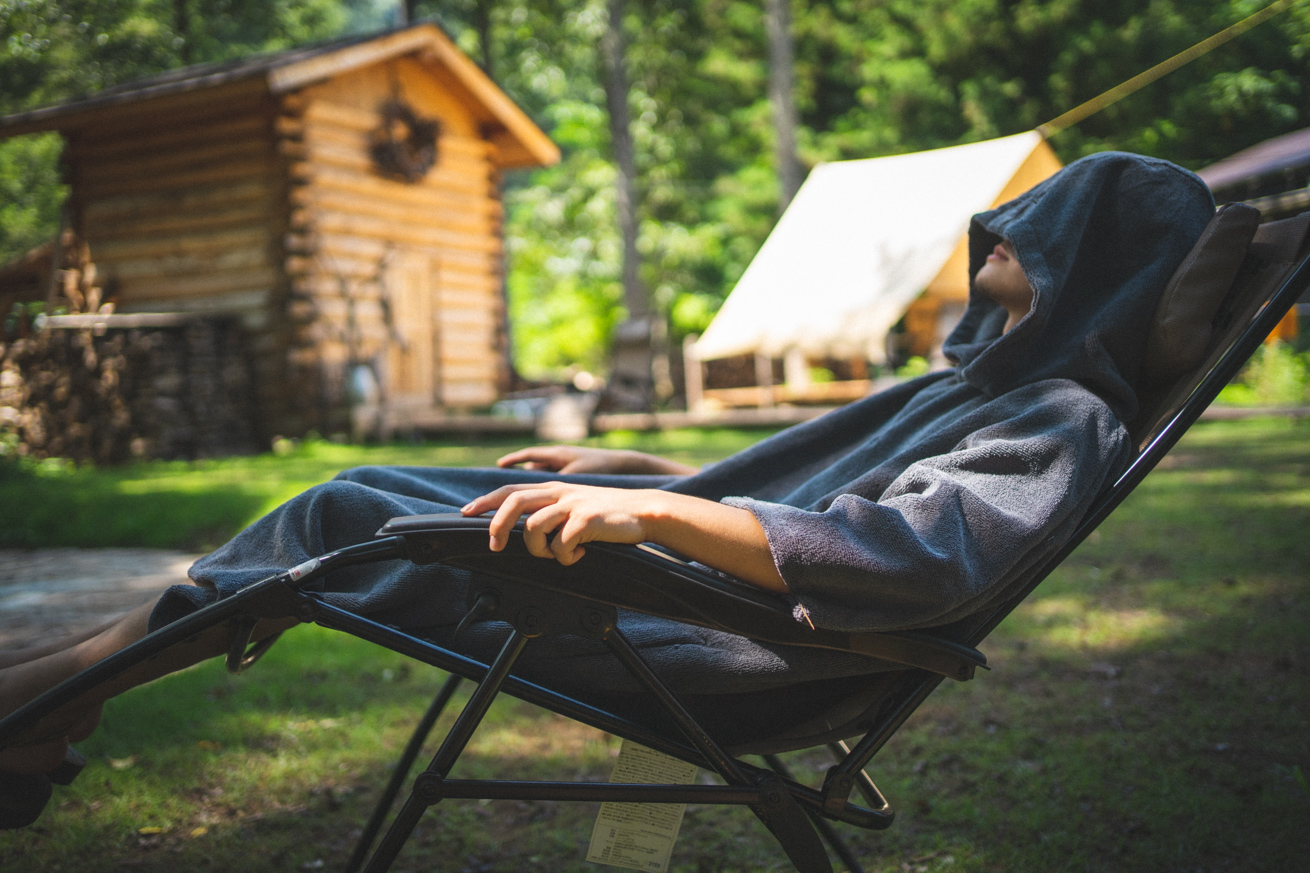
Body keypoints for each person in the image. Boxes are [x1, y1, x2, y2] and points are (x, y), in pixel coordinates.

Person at [0, 152, 1214, 812]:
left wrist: (652, 516)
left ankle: (45, 700)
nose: (998, 225)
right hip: (692, 596)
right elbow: (828, 493)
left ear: (1096, 258)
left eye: (1045, 220)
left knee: (354, 517)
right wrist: (639, 473)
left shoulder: (1058, 415)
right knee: (370, 495)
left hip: (737, 650)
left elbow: (913, 558)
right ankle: (54, 698)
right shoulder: (981, 386)